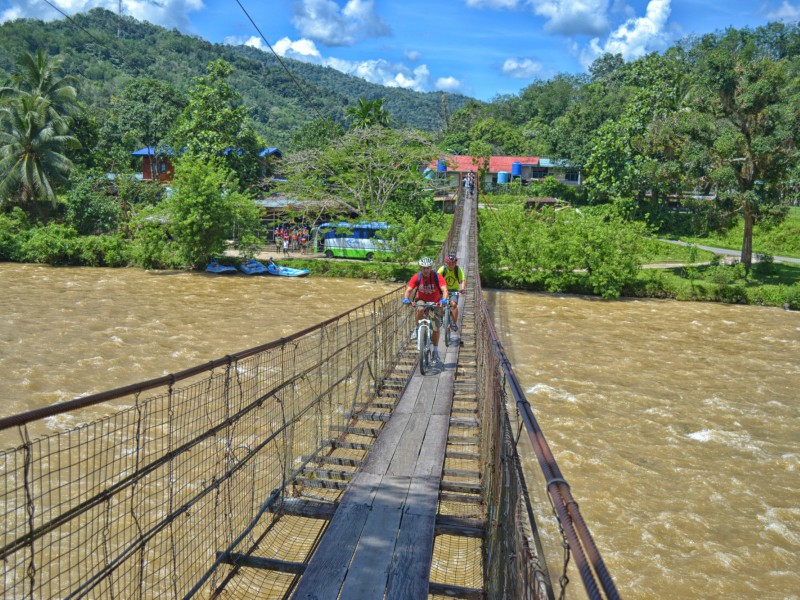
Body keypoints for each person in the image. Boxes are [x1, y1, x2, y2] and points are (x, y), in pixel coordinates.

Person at [402, 256, 449, 365]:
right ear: (420, 268)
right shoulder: (417, 277)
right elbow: (409, 289)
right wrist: (406, 298)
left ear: (431, 268)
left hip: (435, 302)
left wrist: (444, 300)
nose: (426, 270)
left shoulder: (438, 277)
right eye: (423, 268)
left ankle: (435, 351)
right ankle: (417, 327)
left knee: (436, 328)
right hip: (422, 300)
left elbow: (444, 290)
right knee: (420, 308)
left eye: (428, 268)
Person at [437, 253, 466, 331]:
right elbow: (436, 279)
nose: (451, 265)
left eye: (453, 263)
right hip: (443, 289)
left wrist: (462, 288)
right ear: (446, 263)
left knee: (454, 304)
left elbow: (462, 280)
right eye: (449, 263)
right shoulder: (442, 269)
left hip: (454, 290)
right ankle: (440, 318)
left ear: (455, 263)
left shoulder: (457, 269)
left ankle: (453, 323)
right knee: (441, 304)